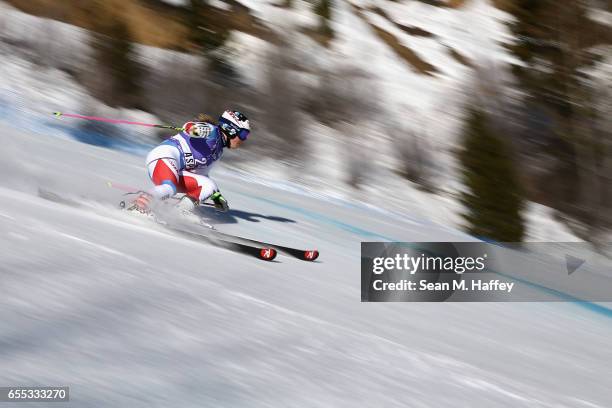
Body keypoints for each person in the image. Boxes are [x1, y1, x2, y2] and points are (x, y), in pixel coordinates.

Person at [130, 110, 250, 214]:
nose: (244, 139)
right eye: (243, 134)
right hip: (164, 156)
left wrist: (216, 195)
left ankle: (178, 213)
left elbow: (201, 177)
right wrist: (192, 128)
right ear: (231, 130)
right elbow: (191, 127)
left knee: (209, 186)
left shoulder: (217, 152)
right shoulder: (212, 131)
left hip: (176, 169)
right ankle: (139, 204)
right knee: (169, 188)